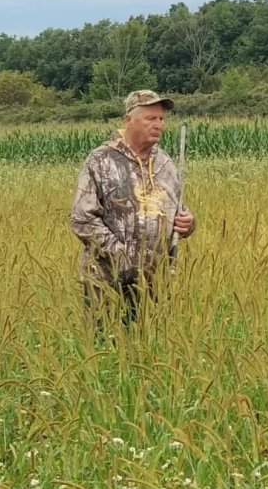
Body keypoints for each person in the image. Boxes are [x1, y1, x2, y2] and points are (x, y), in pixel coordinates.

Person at [70, 89, 196, 331]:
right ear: (128, 120)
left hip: (156, 282)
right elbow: (82, 218)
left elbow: (178, 210)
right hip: (107, 280)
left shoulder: (166, 164)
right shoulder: (100, 160)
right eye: (150, 119)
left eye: (161, 119)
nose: (158, 125)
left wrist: (188, 224)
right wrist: (123, 260)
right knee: (108, 349)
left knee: (149, 347)